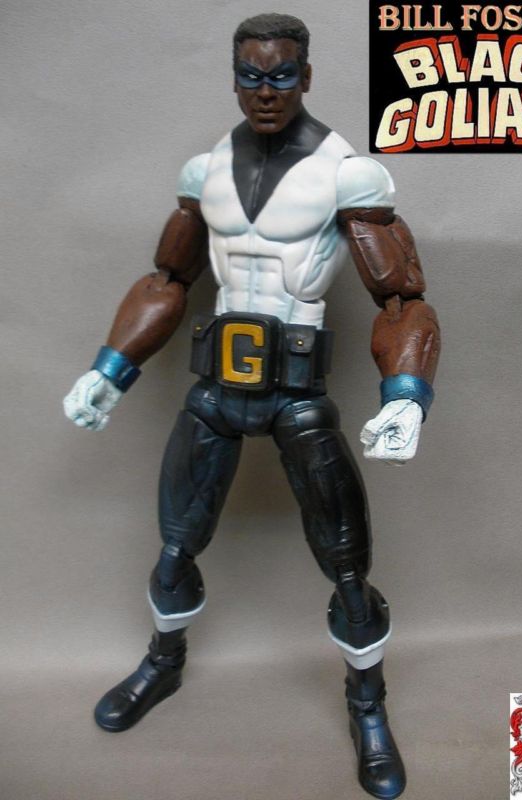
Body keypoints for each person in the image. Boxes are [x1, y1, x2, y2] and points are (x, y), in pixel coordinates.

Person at [63, 13, 440, 799]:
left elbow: (401, 297)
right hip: (217, 391)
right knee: (175, 548)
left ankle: (366, 702)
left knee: (347, 570)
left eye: (281, 76)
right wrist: (110, 369)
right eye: (251, 77)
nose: (266, 92)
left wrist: (406, 395)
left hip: (297, 393)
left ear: (307, 76)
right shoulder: (204, 172)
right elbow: (168, 281)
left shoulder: (347, 174)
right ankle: (164, 662)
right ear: (234, 79)